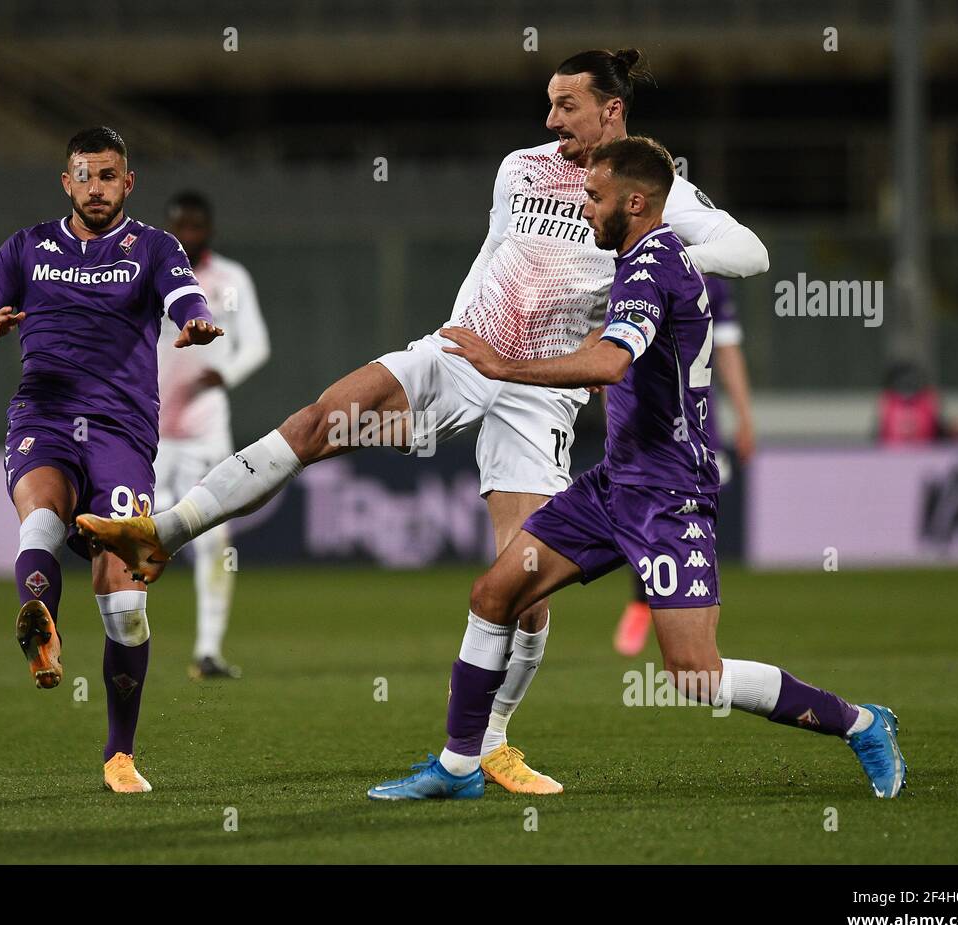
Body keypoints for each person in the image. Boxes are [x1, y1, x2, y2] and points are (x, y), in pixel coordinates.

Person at [77, 50, 769, 795]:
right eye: (549, 103)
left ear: (612, 110)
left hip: (538, 394)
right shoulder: (520, 169)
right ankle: (164, 534)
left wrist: (666, 243)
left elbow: (751, 252)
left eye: (566, 105)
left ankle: (493, 745)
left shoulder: (658, 196)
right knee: (318, 422)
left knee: (524, 584)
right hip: (462, 352)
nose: (550, 119)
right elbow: (503, 254)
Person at [365, 136, 906, 801]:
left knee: (694, 674)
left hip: (669, 495)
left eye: (594, 197)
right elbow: (625, 355)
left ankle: (861, 721)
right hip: (613, 483)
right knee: (494, 594)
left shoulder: (654, 262)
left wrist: (503, 365)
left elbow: (611, 360)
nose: (584, 208)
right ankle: (457, 766)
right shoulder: (637, 260)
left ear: (637, 202)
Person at [0, 127, 223, 793]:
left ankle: (119, 753)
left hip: (122, 433)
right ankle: (40, 625)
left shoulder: (153, 247)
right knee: (40, 514)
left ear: (129, 184)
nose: (95, 187)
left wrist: (195, 321)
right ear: (64, 181)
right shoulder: (27, 247)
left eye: (108, 176)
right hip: (42, 415)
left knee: (123, 603)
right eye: (83, 175)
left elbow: (186, 295)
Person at [155, 191, 271, 679]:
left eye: (195, 225)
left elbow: (257, 345)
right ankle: (122, 640)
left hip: (206, 436)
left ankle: (207, 652)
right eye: (179, 224)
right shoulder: (150, 273)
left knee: (214, 543)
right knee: (136, 538)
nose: (187, 233)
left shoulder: (230, 280)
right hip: (148, 433)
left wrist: (225, 376)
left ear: (209, 229)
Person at [611, 275, 755, 656]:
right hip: (644, 421)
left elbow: (726, 350)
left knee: (695, 518)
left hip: (697, 424)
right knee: (638, 508)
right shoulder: (632, 269)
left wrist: (744, 415)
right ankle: (641, 603)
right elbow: (612, 352)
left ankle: (692, 618)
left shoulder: (709, 276)